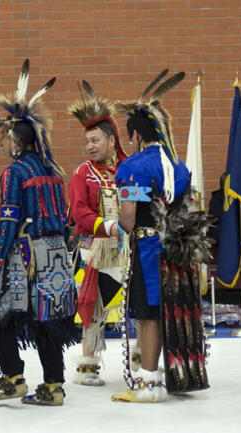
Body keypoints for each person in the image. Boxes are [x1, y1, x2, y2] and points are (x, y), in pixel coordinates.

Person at [0, 61, 78, 406]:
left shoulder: (14, 172)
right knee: (48, 320)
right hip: (57, 257)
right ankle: (54, 386)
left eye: (3, 137)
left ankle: (13, 378)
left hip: (25, 259)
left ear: (14, 140)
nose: (1, 143)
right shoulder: (53, 171)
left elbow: (8, 221)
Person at [110, 69, 208, 403]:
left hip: (149, 249)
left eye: (130, 136)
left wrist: (120, 226)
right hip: (178, 252)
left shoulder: (134, 167)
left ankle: (149, 383)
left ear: (136, 134)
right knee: (172, 310)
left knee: (148, 315)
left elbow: (128, 217)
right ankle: (171, 372)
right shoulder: (179, 165)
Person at [65, 81, 127, 386]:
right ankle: (87, 368)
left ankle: (139, 363)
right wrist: (109, 226)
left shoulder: (126, 169)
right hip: (95, 252)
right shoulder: (83, 173)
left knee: (134, 308)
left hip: (127, 249)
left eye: (96, 139)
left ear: (112, 140)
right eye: (87, 141)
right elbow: (79, 212)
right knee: (93, 307)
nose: (90, 146)